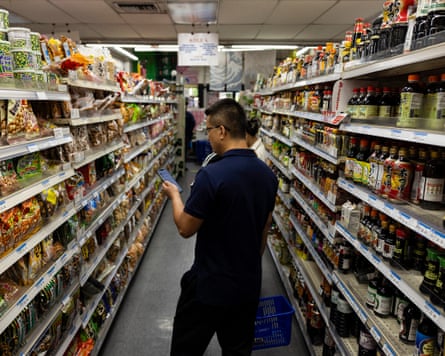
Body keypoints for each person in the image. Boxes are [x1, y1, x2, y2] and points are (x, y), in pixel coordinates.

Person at [162, 98, 278, 356]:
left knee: (186, 350)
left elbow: (185, 227)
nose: (208, 136)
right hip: (247, 286)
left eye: (209, 130)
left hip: (208, 286)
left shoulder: (211, 175)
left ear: (222, 131)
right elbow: (265, 228)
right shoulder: (268, 176)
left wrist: (174, 196)